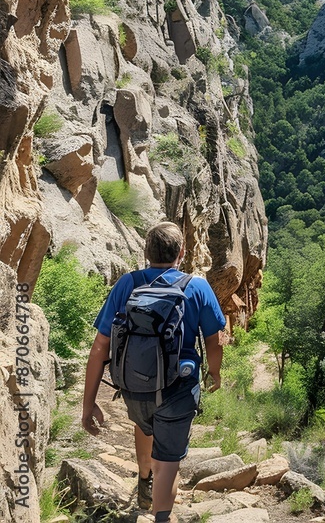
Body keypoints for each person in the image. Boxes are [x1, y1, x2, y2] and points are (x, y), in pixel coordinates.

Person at [81, 222, 225, 522]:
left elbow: (100, 347)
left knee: (145, 425)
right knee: (168, 463)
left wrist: (88, 403)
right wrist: (214, 373)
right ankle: (161, 516)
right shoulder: (196, 286)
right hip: (180, 388)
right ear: (182, 253)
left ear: (146, 252)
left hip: (135, 386)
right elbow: (213, 339)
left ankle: (143, 479)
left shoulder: (127, 283)